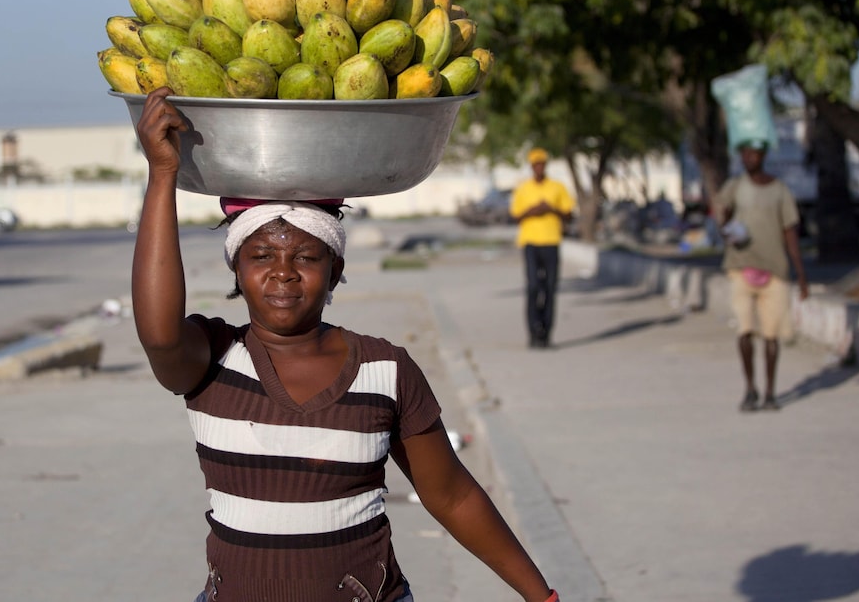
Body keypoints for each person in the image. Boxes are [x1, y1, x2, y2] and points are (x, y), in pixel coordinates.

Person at [132, 87, 557, 602]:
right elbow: (157, 334)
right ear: (236, 270)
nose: (283, 273)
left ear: (336, 270)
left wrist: (543, 596)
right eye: (261, 255)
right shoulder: (212, 358)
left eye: (307, 258)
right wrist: (162, 175)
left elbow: (452, 495)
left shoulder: (385, 369)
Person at [715, 138, 809, 412]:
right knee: (745, 330)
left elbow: (790, 233)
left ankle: (770, 392)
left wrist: (801, 275)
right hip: (741, 268)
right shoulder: (735, 187)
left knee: (771, 335)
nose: (750, 159)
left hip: (775, 271)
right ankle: (749, 389)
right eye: (745, 154)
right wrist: (728, 228)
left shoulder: (780, 191)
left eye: (754, 154)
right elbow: (723, 218)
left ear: (763, 155)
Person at [510, 148, 575, 349]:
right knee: (532, 287)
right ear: (531, 167)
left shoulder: (557, 187)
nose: (539, 167)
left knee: (549, 288)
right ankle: (532, 332)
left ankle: (546, 334)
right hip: (530, 242)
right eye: (535, 164)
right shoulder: (523, 188)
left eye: (542, 164)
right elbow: (516, 216)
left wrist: (550, 209)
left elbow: (569, 215)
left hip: (551, 241)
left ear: (545, 165)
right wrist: (532, 211)